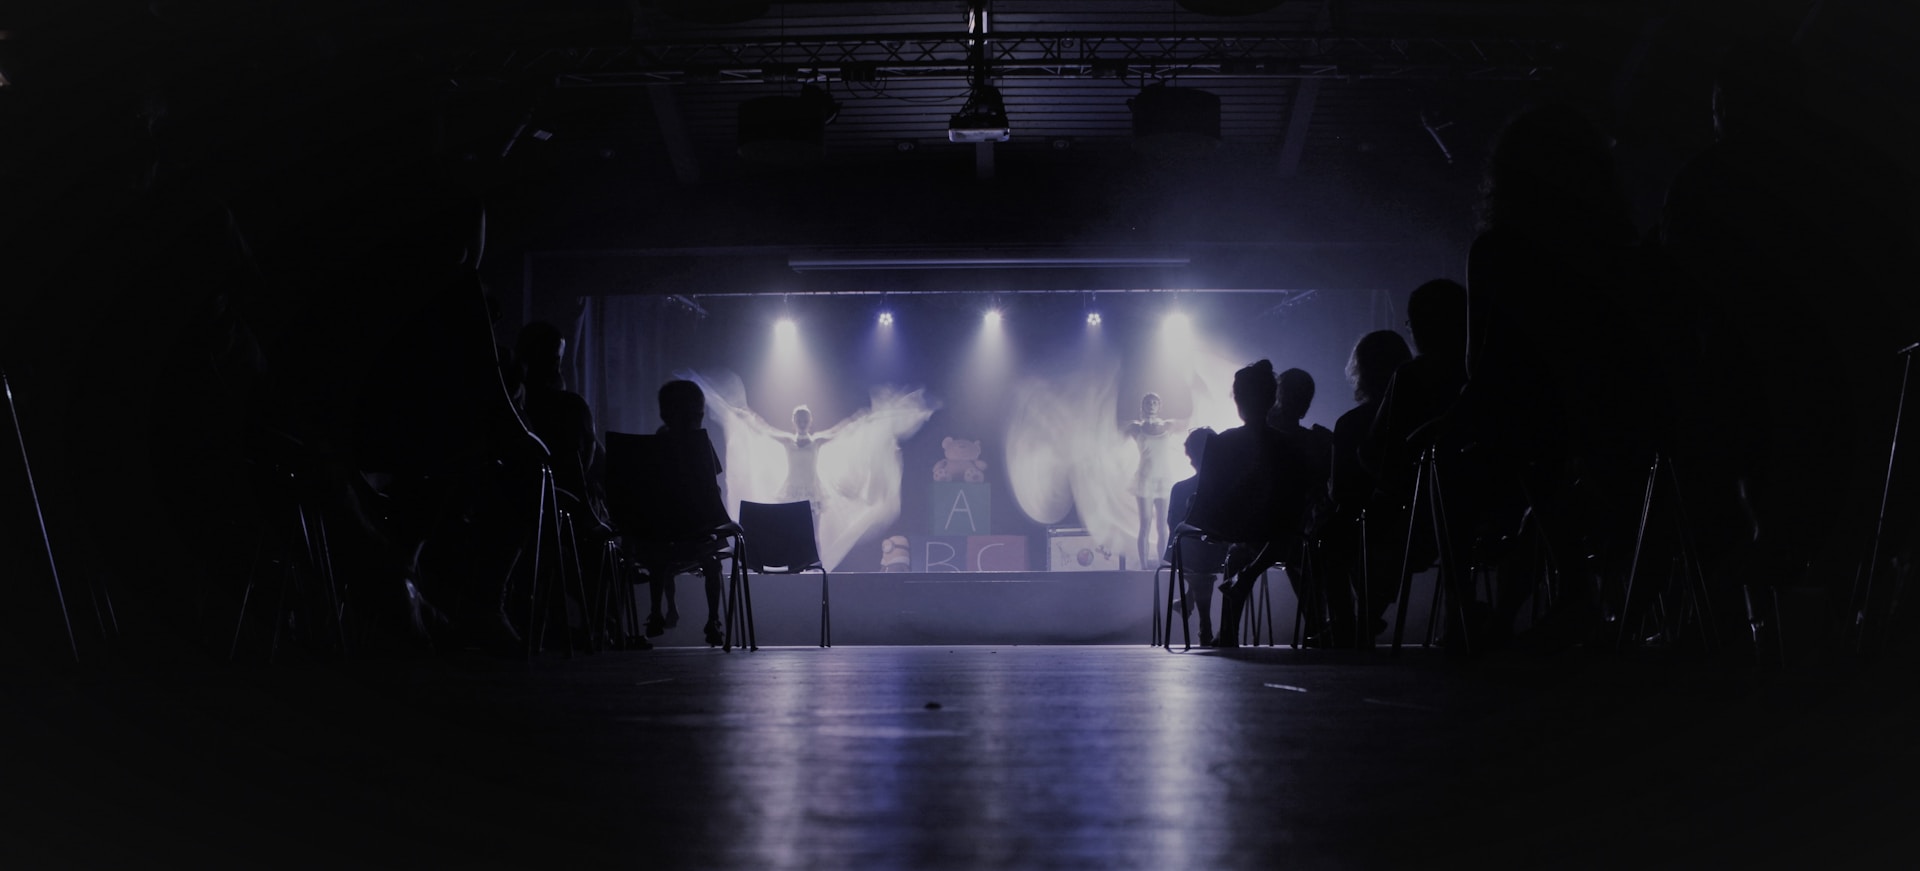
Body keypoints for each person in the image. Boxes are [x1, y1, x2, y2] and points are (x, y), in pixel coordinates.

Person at [1187, 361, 1312, 649]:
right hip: (1279, 531)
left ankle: (1228, 631)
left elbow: (1206, 502)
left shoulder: (1221, 443)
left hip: (1235, 531)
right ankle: (1318, 625)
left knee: (1238, 554)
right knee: (1291, 540)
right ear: (1272, 400)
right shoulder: (1289, 445)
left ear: (1238, 401)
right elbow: (1297, 500)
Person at [1329, 330, 1413, 642]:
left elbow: (1339, 492)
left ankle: (1344, 620)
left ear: (1360, 369)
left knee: (1327, 538)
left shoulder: (1350, 424)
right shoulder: (1418, 419)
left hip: (1361, 522)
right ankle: (1367, 616)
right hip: (1414, 522)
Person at [645, 379, 728, 646]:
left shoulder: (656, 443)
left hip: (660, 536)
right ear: (697, 415)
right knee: (712, 562)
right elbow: (713, 489)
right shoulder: (700, 444)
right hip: (696, 535)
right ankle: (713, 618)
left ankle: (658, 610)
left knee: (659, 556)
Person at [1167, 427, 1227, 646]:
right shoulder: (1226, 486)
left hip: (1203, 552)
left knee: (1199, 555)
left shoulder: (1181, 488)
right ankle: (1202, 619)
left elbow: (1172, 524)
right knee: (1200, 553)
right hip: (1211, 551)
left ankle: (1198, 615)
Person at [1126, 393, 1186, 569]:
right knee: (1145, 523)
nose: (1151, 405)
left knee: (1163, 524)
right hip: (1145, 479)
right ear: (1143, 405)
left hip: (1164, 479)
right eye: (1148, 402)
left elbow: (1187, 421)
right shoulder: (1135, 427)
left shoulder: (1168, 425)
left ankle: (1162, 562)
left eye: (1154, 402)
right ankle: (1144, 566)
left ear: (1159, 405)